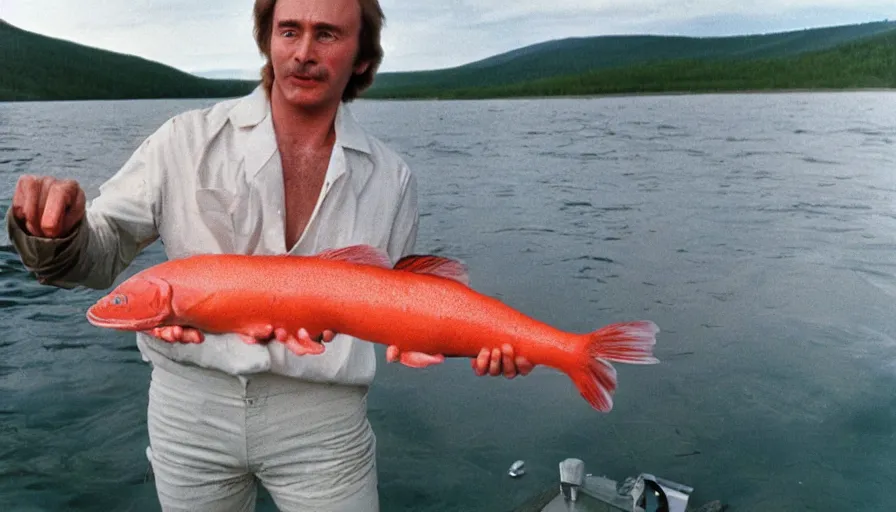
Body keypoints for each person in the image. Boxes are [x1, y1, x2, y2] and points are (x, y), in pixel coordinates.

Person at [6, 0, 534, 510]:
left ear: (362, 58)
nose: (304, 51)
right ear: (267, 39)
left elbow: (396, 308)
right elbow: (94, 258)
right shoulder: (182, 141)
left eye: (327, 34)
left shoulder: (392, 178)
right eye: (289, 30)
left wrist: (481, 341)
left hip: (324, 419)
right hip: (189, 410)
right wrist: (55, 232)